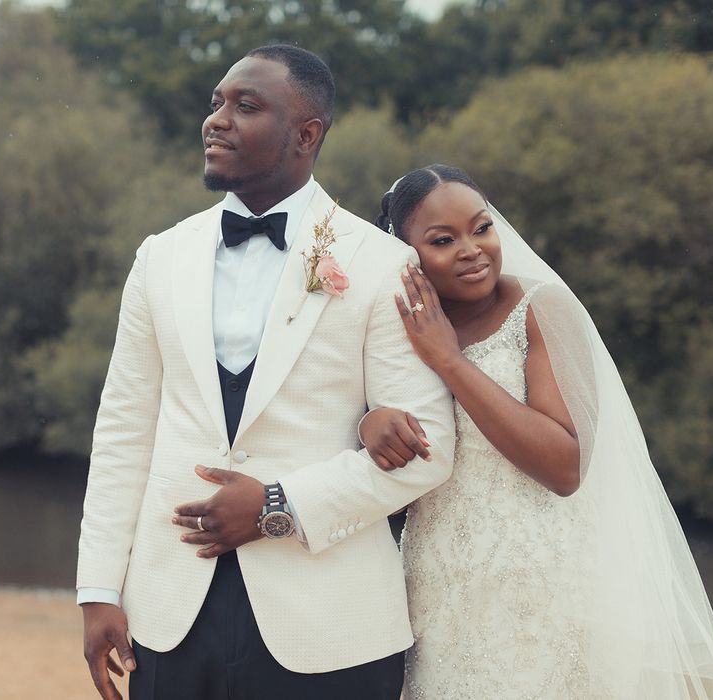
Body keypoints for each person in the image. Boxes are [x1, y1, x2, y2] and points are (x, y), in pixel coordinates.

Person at [76, 48, 456, 700]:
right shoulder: (160, 258)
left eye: (245, 106)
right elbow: (123, 430)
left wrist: (276, 506)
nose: (216, 120)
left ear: (307, 134)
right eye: (216, 102)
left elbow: (428, 450)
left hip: (329, 625)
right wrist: (98, 589)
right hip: (169, 618)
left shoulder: (381, 263)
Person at [360, 164, 713, 699]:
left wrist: (451, 362)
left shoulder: (539, 309)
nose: (471, 249)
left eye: (481, 228)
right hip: (437, 588)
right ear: (405, 255)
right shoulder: (391, 331)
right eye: (443, 240)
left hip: (545, 588)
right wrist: (368, 424)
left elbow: (565, 465)